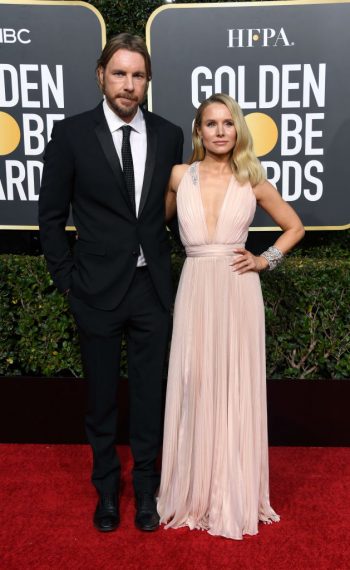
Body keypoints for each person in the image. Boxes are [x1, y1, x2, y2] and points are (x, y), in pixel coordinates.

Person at [39, 33, 183, 533]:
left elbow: (168, 213)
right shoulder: (71, 134)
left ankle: (146, 488)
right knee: (100, 399)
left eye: (137, 75)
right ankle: (106, 490)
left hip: (152, 291)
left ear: (148, 82)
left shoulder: (168, 135)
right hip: (94, 291)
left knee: (150, 397)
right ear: (100, 75)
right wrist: (67, 281)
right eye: (119, 73)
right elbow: (51, 216)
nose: (128, 84)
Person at [157, 93, 305, 540]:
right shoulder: (180, 176)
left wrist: (264, 261)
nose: (220, 131)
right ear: (198, 131)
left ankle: (232, 491)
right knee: (195, 381)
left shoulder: (253, 179)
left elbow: (294, 226)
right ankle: (192, 490)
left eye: (227, 123)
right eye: (210, 123)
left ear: (237, 129)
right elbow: (151, 226)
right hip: (196, 284)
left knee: (234, 384)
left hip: (238, 289)